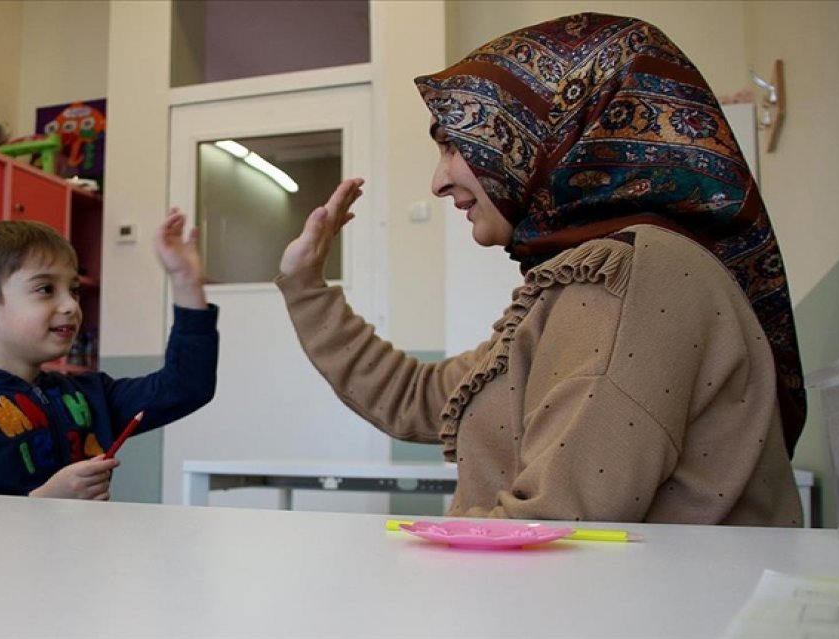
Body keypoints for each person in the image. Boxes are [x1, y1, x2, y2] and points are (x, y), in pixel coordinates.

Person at [276, 13, 806, 526]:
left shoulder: (626, 275)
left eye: (454, 144)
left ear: (539, 133)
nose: (438, 182)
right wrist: (306, 285)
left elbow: (557, 525)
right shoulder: (588, 278)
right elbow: (416, 399)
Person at [0, 213, 218, 498]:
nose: (70, 305)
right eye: (45, 289)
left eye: (74, 290)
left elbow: (187, 386)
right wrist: (43, 501)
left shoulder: (87, 395)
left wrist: (186, 282)